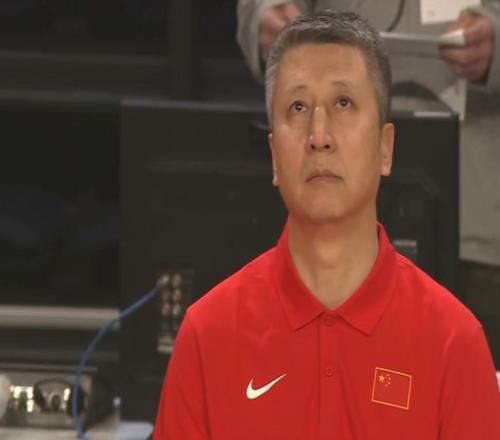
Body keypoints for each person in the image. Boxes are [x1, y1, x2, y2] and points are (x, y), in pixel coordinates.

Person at [153, 12, 500, 439]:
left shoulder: (454, 343)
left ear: (385, 148)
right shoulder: (208, 336)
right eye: (298, 107)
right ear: (274, 156)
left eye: (343, 104)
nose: (319, 135)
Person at [237, 0, 500, 368]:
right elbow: (263, 11)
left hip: (478, 208)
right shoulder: (207, 326)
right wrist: (267, 15)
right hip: (322, 227)